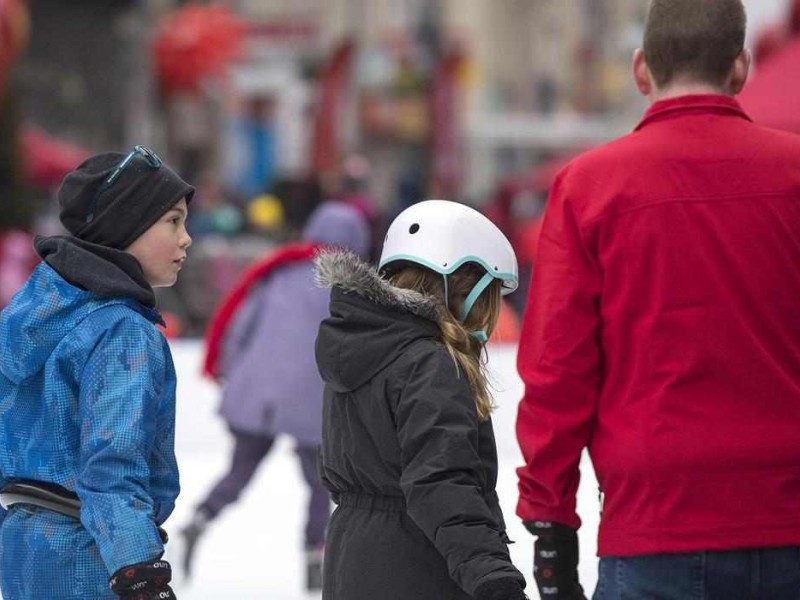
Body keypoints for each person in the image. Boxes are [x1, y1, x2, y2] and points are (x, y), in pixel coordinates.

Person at [515, 1, 800, 598]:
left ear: (641, 69)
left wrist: (551, 523)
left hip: (654, 528)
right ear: (740, 67)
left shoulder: (590, 187)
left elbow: (557, 370)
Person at [0, 146, 194, 599]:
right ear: (125, 226)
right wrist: (138, 571)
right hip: (93, 559)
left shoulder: (33, 317)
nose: (186, 238)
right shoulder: (122, 331)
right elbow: (112, 467)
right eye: (172, 221)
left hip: (24, 550)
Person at [315, 199, 528, 600]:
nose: (489, 319)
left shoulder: (361, 347)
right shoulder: (428, 363)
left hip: (352, 560)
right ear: (462, 287)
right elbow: (442, 482)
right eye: (489, 299)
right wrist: (492, 576)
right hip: (417, 565)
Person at [181, 201, 371, 591]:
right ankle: (315, 552)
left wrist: (232, 374)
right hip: (312, 401)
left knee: (240, 470)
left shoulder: (278, 272)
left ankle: (199, 519)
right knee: (321, 480)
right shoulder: (348, 287)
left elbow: (240, 328)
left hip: (258, 393)